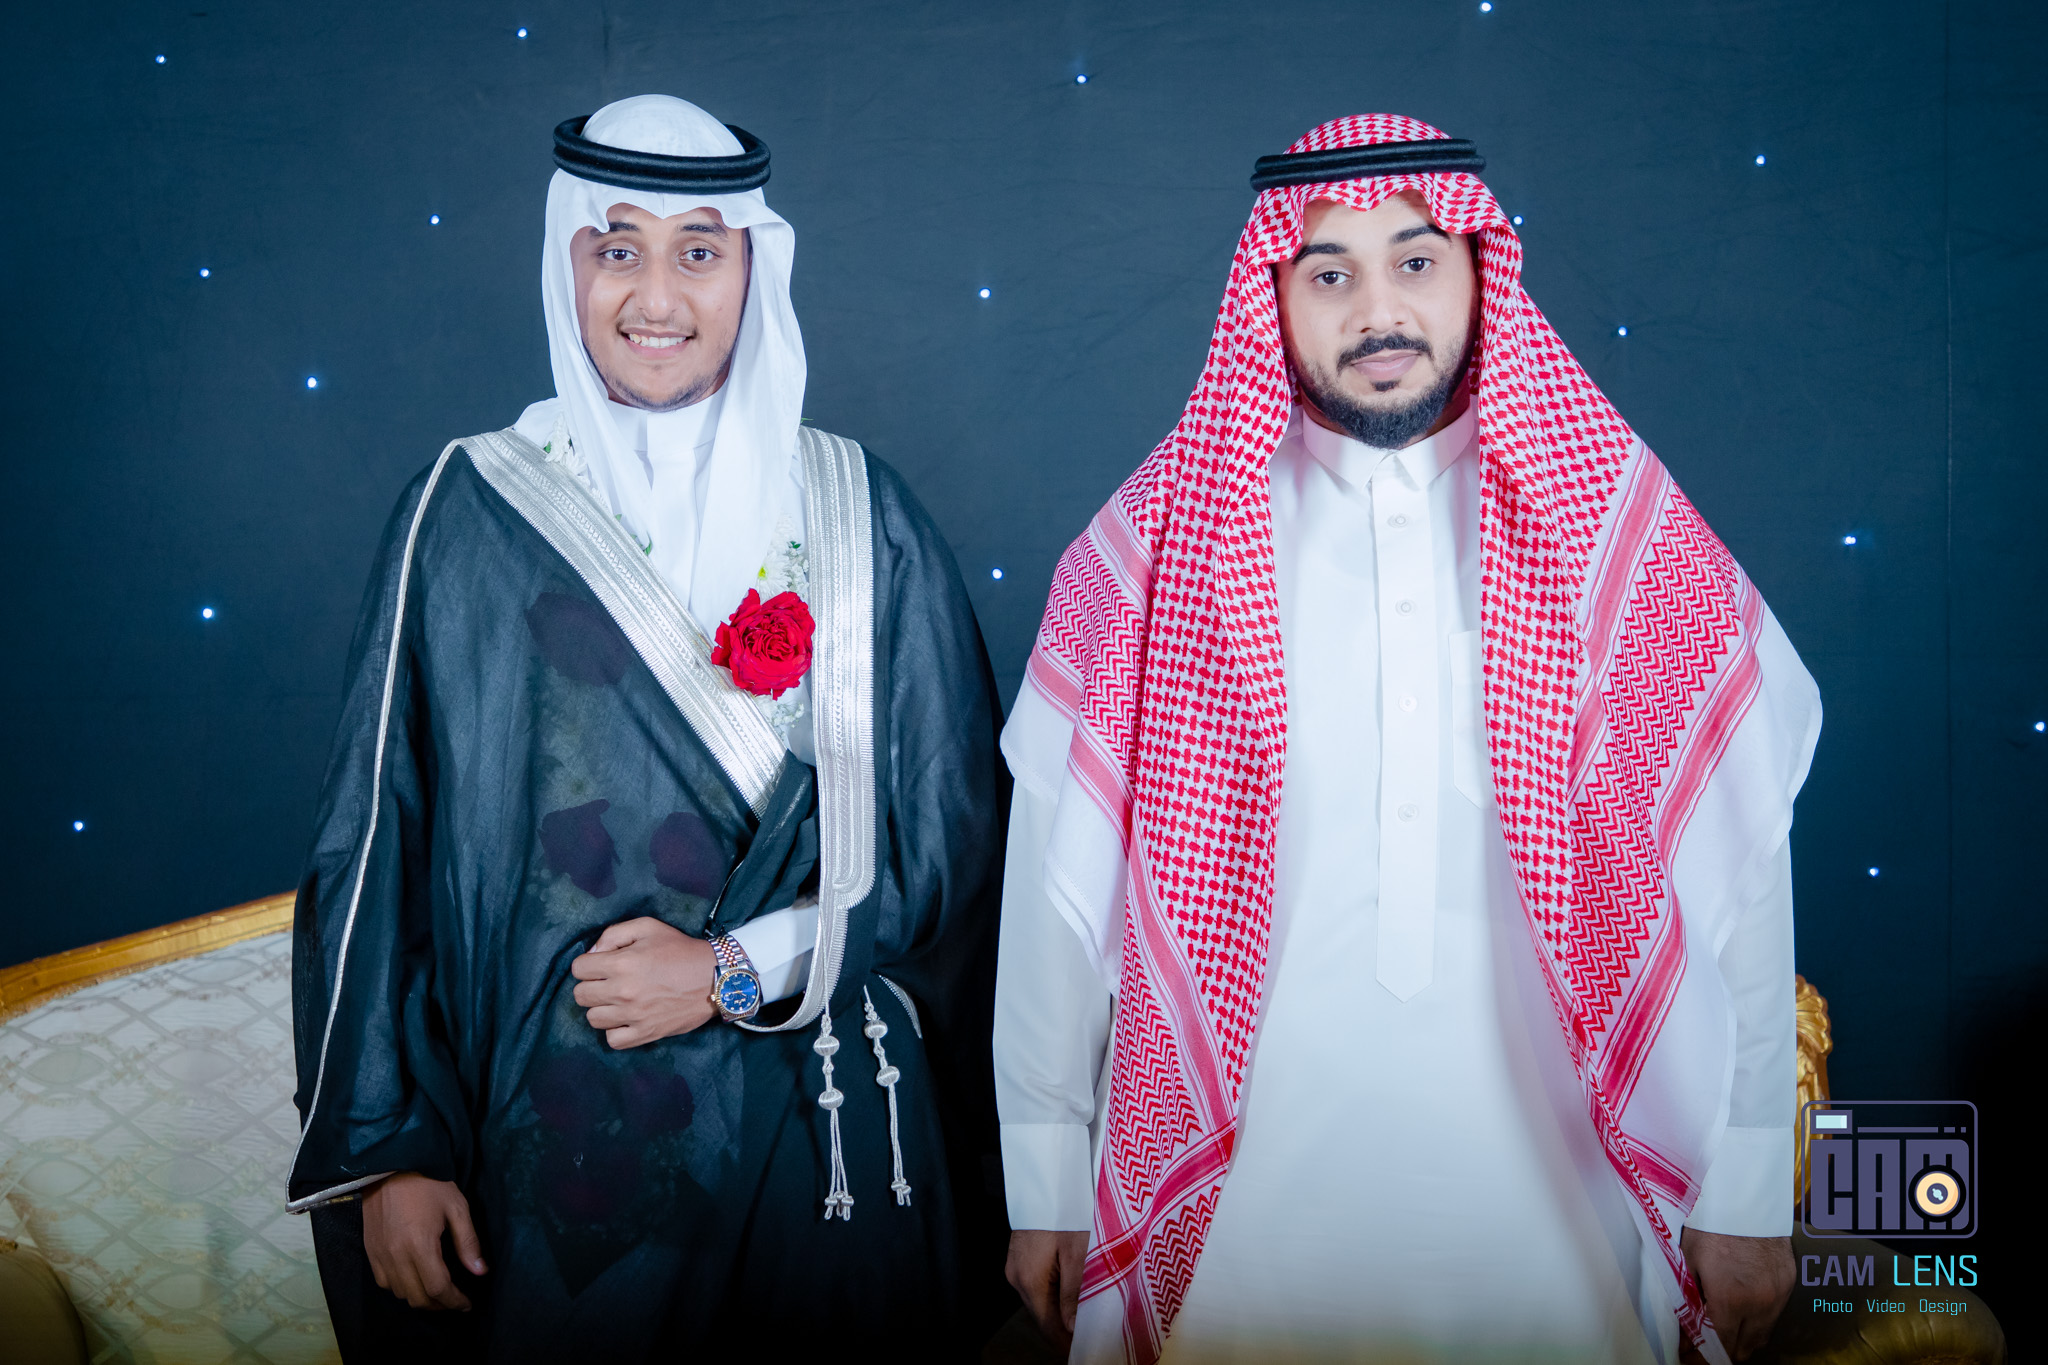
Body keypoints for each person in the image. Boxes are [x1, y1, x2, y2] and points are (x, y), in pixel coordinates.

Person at [995, 115, 1817, 1365]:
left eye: (1415, 262)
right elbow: (1052, 894)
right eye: (1328, 273)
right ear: (1270, 297)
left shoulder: (1615, 533)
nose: (1377, 311)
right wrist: (1045, 1168)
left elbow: (1742, 866)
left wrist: (1749, 1187)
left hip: (1559, 1225)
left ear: (1481, 271)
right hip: (1241, 1233)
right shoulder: (1158, 548)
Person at [289, 94, 1008, 1362]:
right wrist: (390, 1151)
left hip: (821, 1141)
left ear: (752, 268)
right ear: (565, 262)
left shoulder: (859, 512)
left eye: (699, 251)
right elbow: (374, 848)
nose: (656, 297)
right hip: (550, 1152)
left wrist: (732, 968)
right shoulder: (461, 509)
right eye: (616, 249)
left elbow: (953, 849)